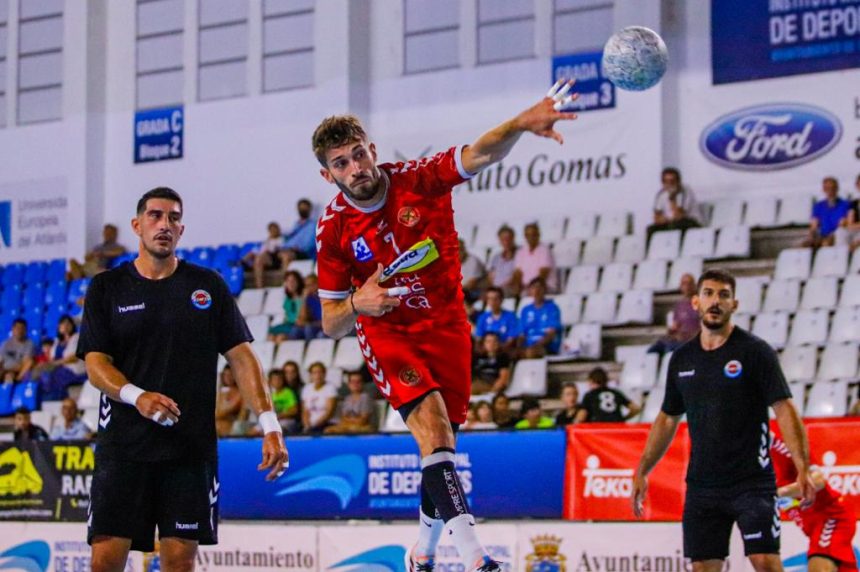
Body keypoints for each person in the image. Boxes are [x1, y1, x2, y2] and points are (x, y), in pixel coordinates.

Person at [313, 80, 577, 572]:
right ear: (328, 176)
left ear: (372, 150)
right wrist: (358, 302)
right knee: (433, 431)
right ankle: (478, 559)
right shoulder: (332, 232)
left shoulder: (419, 177)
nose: (355, 168)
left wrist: (520, 123)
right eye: (340, 163)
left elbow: (479, 153)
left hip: (449, 324)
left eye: (357, 154)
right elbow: (329, 324)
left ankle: (423, 553)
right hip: (389, 332)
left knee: (444, 448)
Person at [77, 187, 287, 572]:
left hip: (189, 452)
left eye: (173, 218)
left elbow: (242, 357)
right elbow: (95, 364)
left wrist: (270, 424)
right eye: (155, 216)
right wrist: (137, 396)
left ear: (182, 229)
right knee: (104, 561)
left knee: (180, 562)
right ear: (137, 226)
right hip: (123, 449)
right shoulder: (107, 287)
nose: (164, 225)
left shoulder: (208, 286)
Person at [632, 269, 815, 572]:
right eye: (708, 293)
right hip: (702, 486)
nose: (715, 301)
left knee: (765, 561)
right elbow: (667, 418)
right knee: (703, 567)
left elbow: (785, 409)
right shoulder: (682, 360)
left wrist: (803, 468)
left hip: (752, 483)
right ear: (695, 302)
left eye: (723, 295)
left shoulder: (755, 352)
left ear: (734, 304)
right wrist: (642, 469)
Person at [771, 435, 858, 572]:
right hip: (814, 530)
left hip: (831, 518)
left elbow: (817, 480)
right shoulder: (743, 460)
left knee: (818, 565)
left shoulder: (779, 445)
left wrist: (776, 493)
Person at [35, 315, 87, 399]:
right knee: (39, 372)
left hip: (73, 370)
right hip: (59, 368)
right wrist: (45, 364)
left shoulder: (76, 337)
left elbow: (73, 358)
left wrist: (55, 363)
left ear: (72, 326)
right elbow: (52, 358)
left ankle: (53, 397)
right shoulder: (57, 341)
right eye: (63, 324)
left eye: (68, 324)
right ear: (59, 326)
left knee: (56, 375)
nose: (65, 326)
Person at [648, 273, 700, 355]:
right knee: (653, 349)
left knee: (670, 349)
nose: (687, 286)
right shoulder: (679, 306)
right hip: (679, 340)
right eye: (684, 284)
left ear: (694, 285)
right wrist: (672, 332)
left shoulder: (701, 305)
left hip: (693, 341)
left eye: (689, 283)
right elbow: (675, 327)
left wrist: (686, 335)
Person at [646, 167, 701, 240]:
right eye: (665, 182)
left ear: (678, 182)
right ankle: (653, 250)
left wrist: (672, 198)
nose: (669, 185)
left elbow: (679, 216)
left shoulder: (685, 191)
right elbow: (656, 218)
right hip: (671, 222)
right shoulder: (661, 194)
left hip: (691, 222)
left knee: (676, 225)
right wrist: (663, 220)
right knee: (651, 229)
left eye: (672, 181)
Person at [576, 367, 641, 423]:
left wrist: (574, 423)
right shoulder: (616, 393)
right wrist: (624, 418)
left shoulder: (589, 395)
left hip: (598, 430)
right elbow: (636, 408)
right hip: (617, 428)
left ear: (591, 381)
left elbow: (582, 416)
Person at [802, 177, 852, 248]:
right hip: (822, 235)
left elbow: (843, 223)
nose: (830, 191)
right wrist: (812, 236)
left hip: (837, 235)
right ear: (823, 190)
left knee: (826, 243)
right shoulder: (818, 206)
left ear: (837, 189)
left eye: (832, 188)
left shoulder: (845, 204)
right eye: (827, 188)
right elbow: (814, 225)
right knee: (804, 245)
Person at [518, 277, 562, 358]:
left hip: (546, 346)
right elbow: (522, 334)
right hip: (528, 346)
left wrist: (536, 345)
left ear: (545, 290)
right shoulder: (525, 310)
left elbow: (551, 334)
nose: (536, 290)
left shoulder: (552, 308)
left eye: (539, 287)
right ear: (529, 291)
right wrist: (519, 347)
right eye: (533, 287)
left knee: (531, 352)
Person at [512, 222, 558, 293]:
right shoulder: (521, 252)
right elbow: (518, 273)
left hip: (544, 287)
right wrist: (518, 286)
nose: (531, 237)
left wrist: (531, 287)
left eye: (534, 234)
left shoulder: (545, 250)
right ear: (525, 236)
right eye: (528, 235)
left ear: (538, 235)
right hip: (526, 288)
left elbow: (543, 274)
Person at [474, 287, 520, 353]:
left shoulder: (511, 316)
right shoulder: (482, 317)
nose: (493, 302)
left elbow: (511, 339)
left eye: (496, 299)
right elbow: (478, 338)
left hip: (504, 351)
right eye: (490, 299)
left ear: (501, 300)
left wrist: (497, 348)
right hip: (486, 351)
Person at [278, 198, 318, 268]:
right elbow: (289, 240)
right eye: (301, 208)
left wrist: (295, 248)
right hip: (287, 250)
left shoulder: (313, 225)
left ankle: (286, 278)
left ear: (309, 209)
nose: (302, 210)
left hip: (304, 253)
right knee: (261, 257)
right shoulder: (296, 225)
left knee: (286, 256)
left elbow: (309, 244)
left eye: (304, 208)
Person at [267, 271, 305, 342]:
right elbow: (287, 315)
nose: (290, 284)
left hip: (298, 325)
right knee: (271, 335)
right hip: (288, 324)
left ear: (298, 282)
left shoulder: (303, 297)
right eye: (288, 281)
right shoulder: (287, 299)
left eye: (293, 281)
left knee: (281, 338)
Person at [245, 222, 285, 289]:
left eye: (275, 229)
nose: (273, 231)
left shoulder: (283, 239)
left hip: (277, 258)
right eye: (271, 230)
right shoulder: (267, 241)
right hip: (267, 259)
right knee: (257, 258)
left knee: (261, 256)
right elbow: (259, 251)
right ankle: (259, 287)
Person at [300, 362, 337, 434]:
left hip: (325, 423)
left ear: (324, 374)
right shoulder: (307, 388)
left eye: (320, 372)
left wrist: (314, 425)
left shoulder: (330, 388)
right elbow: (305, 411)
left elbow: (329, 412)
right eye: (314, 373)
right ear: (310, 375)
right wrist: (307, 425)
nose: (317, 375)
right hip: (310, 425)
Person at [487, 225, 519, 297]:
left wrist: (499, 288)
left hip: (509, 289)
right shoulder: (496, 257)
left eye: (508, 238)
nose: (506, 242)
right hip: (496, 290)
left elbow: (517, 276)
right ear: (499, 240)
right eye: (503, 239)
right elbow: (490, 276)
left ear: (513, 238)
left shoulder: (520, 255)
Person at [1, 318, 35, 383]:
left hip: (17, 372)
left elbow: (26, 363)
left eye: (22, 328)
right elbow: (1, 360)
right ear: (13, 329)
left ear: (25, 330)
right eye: (17, 328)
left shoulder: (29, 344)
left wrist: (10, 369)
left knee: (9, 377)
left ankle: (16, 382)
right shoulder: (5, 344)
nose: (20, 331)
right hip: (4, 370)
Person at [291, 273, 324, 340]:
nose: (308, 288)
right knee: (295, 331)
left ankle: (312, 349)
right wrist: (304, 299)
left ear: (317, 283)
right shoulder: (309, 298)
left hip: (325, 326)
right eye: (306, 286)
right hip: (314, 325)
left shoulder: (325, 297)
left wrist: (308, 323)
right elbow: (301, 319)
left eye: (311, 285)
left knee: (309, 329)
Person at [215, 364, 244, 437]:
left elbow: (241, 415)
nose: (228, 377)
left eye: (231, 375)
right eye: (226, 374)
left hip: (230, 431)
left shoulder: (240, 393)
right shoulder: (219, 392)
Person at [268, 368, 300, 433]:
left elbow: (294, 411)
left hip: (286, 420)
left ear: (283, 380)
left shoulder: (288, 393)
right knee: (253, 432)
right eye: (274, 379)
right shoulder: (268, 394)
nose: (277, 381)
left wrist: (280, 415)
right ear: (270, 382)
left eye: (279, 379)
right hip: (272, 420)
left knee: (277, 430)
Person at [835, 173, 860, 251]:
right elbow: (850, 222)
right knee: (840, 232)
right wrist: (845, 223)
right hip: (856, 229)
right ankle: (842, 256)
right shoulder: (854, 203)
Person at [459, 239, 488, 303]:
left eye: (459, 250)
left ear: (463, 250)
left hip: (477, 292)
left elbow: (471, 284)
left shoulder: (473, 261)